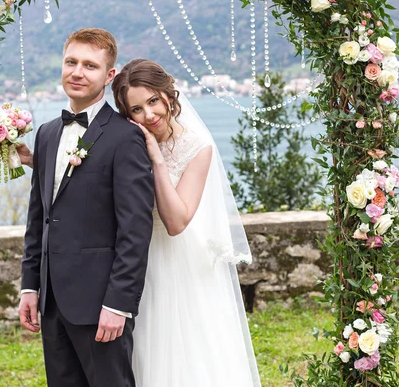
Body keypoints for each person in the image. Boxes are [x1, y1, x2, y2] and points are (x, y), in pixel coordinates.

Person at [111, 59, 262, 386]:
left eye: (153, 101)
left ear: (168, 95)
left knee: (184, 353)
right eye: (137, 109)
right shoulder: (128, 143)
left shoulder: (198, 147)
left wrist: (157, 160)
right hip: (136, 260)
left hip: (179, 263)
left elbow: (177, 220)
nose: (149, 115)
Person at [18, 29, 154, 387]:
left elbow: (135, 230)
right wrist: (30, 286)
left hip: (100, 304)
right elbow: (39, 217)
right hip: (51, 302)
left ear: (109, 76)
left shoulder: (126, 137)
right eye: (71, 62)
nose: (78, 72)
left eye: (90, 65)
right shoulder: (46, 134)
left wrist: (118, 304)